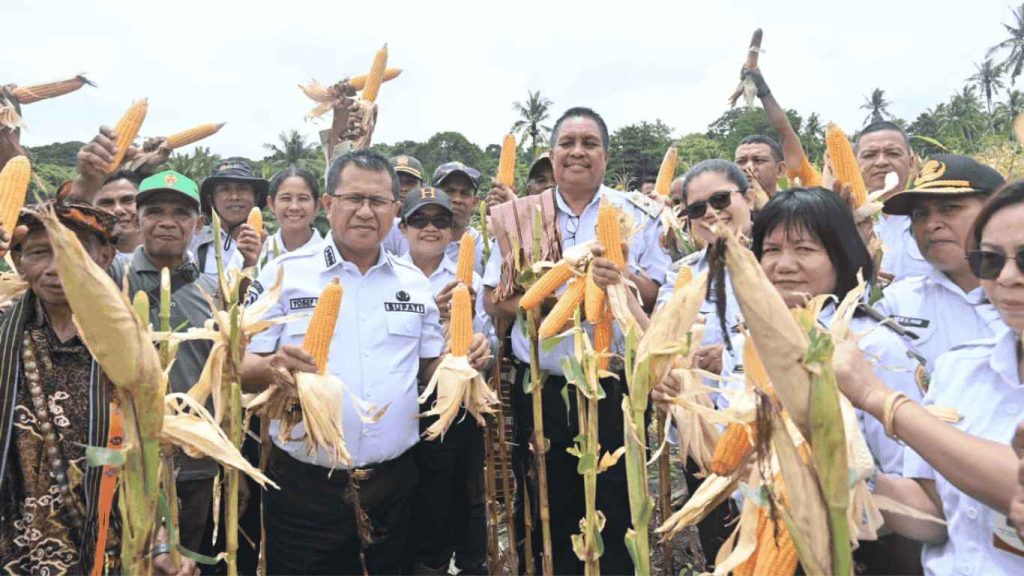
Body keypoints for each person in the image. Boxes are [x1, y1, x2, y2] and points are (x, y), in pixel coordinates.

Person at [240, 149, 479, 574]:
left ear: (394, 210)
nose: (366, 212)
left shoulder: (414, 284)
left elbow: (427, 368)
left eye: (378, 201)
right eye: (354, 199)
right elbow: (239, 367)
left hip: (394, 486)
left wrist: (458, 362)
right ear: (329, 205)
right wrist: (273, 366)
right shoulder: (282, 274)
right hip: (306, 488)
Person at [482, 106, 670, 573]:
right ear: (552, 155)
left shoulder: (638, 214)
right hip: (542, 387)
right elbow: (493, 298)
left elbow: (659, 290)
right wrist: (553, 305)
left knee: (617, 502)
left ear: (605, 156)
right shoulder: (522, 215)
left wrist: (618, 282)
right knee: (547, 500)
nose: (578, 152)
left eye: (589, 144)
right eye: (568, 143)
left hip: (614, 385)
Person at [834, 179, 1024, 575]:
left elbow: (1013, 486)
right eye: (991, 260)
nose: (1008, 277)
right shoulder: (960, 369)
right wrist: (840, 471)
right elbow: (934, 516)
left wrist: (879, 398)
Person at [0, 197, 196, 575]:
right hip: (12, 550)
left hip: (110, 548)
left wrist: (157, 543)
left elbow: (150, 454)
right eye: (40, 252)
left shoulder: (132, 346)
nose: (58, 268)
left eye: (74, 253)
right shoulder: (4, 335)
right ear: (20, 262)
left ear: (106, 255)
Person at [740, 187, 925, 574]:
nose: (783, 265)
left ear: (840, 257)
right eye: (771, 250)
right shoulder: (752, 340)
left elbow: (908, 475)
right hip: (769, 541)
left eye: (804, 249)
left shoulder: (874, 344)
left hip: (859, 548)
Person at [124, 170, 223, 560]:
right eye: (155, 211)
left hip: (196, 458)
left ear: (197, 225)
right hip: (130, 455)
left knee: (184, 560)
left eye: (180, 213)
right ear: (136, 220)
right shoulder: (115, 278)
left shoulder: (216, 291)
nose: (167, 221)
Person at [398, 186, 492, 575]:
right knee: (421, 502)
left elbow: (489, 335)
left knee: (467, 498)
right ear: (402, 228)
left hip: (461, 409)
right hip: (406, 409)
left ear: (453, 231)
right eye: (420, 219)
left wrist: (485, 348)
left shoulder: (468, 279)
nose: (430, 228)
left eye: (441, 220)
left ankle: (472, 564)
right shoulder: (389, 276)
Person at [876, 154, 1007, 376]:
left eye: (949, 208)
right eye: (920, 214)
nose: (931, 225)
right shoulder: (896, 304)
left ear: (995, 213)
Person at [855, 121, 933, 281]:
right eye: (870, 155)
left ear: (912, 163)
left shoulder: (934, 219)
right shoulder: (844, 222)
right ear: (856, 165)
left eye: (893, 153)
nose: (881, 162)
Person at [192, 159, 266, 279]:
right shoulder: (193, 241)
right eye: (224, 189)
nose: (234, 197)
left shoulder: (271, 245)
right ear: (210, 200)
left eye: (243, 189)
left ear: (256, 197)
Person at [256, 165, 325, 272]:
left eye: (303, 199)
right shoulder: (257, 251)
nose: (294, 207)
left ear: (317, 205)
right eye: (285, 198)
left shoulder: (332, 255)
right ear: (271, 204)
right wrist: (250, 264)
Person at [94, 169, 144, 261]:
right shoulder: (86, 259)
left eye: (128, 200)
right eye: (106, 203)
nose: (118, 210)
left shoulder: (170, 254)